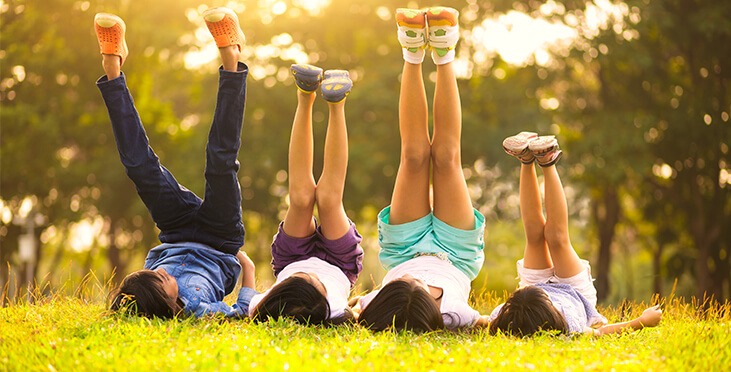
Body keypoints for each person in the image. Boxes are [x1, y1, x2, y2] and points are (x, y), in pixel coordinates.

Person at [101, 7, 258, 318]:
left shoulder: (139, 298)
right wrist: (248, 268)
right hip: (220, 236)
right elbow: (242, 313)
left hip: (175, 230)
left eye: (154, 276)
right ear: (170, 304)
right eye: (161, 281)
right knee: (220, 162)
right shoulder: (199, 311)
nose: (160, 274)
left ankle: (112, 68)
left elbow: (130, 298)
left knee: (140, 168)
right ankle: (232, 59)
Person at [355, 7, 489, 332]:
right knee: (445, 157)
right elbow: (492, 320)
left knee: (414, 156)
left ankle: (412, 52)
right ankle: (444, 52)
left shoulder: (372, 305)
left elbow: (345, 309)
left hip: (403, 251)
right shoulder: (456, 314)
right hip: (456, 254)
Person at [489, 132, 663, 336]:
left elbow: (479, 321)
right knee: (557, 239)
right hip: (574, 292)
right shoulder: (569, 327)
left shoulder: (504, 317)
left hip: (530, 296)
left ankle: (526, 159)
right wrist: (642, 321)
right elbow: (602, 333)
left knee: (534, 236)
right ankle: (547, 161)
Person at [246, 64, 364, 325]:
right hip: (339, 263)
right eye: (313, 284)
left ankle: (305, 93)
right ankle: (337, 103)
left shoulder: (263, 306)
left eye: (303, 280)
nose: (310, 276)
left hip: (291, 257)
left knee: (300, 198)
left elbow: (242, 304)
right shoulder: (333, 311)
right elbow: (358, 313)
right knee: (329, 199)